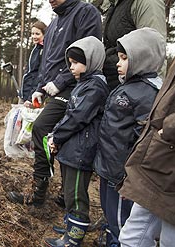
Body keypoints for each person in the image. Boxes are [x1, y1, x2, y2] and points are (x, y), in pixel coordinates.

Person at [7, 0, 102, 207]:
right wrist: (40, 89)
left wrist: (59, 82)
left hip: (77, 86)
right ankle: (53, 191)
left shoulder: (86, 13)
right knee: (52, 134)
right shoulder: (54, 22)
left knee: (44, 129)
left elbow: (87, 54)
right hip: (54, 88)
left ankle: (45, 193)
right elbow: (48, 61)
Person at [118, 1, 175, 246]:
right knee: (134, 234)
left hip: (172, 158)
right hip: (161, 159)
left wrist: (172, 127)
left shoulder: (142, 92)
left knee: (171, 240)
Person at [94, 27, 166, 247]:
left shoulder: (147, 93)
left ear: (142, 58)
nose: (118, 62)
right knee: (109, 214)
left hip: (122, 175)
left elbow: (143, 139)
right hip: (109, 168)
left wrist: (131, 176)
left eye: (124, 58)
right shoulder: (129, 86)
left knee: (121, 223)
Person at [43, 36, 110, 247]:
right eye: (70, 63)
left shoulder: (95, 87)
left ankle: (74, 237)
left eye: (75, 63)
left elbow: (77, 117)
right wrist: (56, 136)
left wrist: (57, 136)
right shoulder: (84, 83)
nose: (71, 68)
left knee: (76, 195)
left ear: (91, 60)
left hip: (81, 151)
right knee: (69, 191)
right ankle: (70, 224)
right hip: (72, 148)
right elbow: (68, 115)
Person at [102, 0, 166, 90]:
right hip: (116, 88)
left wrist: (155, 94)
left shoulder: (147, 2)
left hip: (136, 95)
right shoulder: (114, 4)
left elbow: (154, 53)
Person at [19, 21, 47, 107]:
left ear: (44, 34)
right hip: (25, 93)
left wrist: (30, 97)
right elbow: (29, 73)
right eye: (32, 34)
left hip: (33, 96)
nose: (34, 36)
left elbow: (39, 76)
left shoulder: (44, 51)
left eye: (37, 34)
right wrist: (21, 93)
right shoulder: (36, 49)